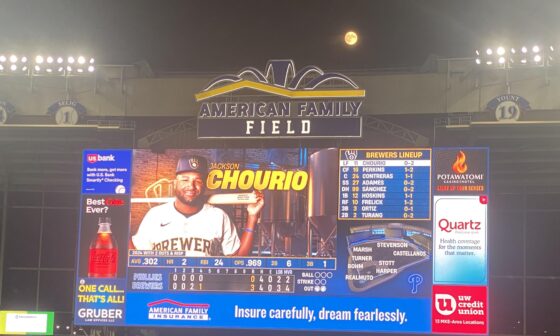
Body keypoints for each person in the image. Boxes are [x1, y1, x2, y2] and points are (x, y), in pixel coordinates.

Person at [131, 154, 264, 256]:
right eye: (185, 179)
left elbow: (238, 259)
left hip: (205, 288)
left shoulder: (218, 216)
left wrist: (252, 217)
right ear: (175, 183)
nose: (191, 186)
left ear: (204, 184)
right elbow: (135, 257)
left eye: (198, 181)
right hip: (165, 289)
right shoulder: (155, 215)